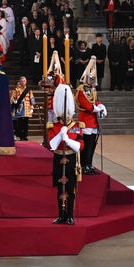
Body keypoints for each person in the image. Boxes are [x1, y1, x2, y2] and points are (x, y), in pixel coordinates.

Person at [48, 83, 83, 225]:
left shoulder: (76, 127)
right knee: (60, 188)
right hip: (58, 158)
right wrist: (59, 136)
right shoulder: (55, 126)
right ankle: (61, 215)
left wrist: (67, 139)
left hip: (71, 158)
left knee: (70, 189)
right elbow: (51, 144)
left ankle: (70, 215)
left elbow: (80, 146)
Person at [75, 56, 107, 175]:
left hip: (93, 122)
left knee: (92, 146)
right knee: (86, 146)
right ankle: (84, 165)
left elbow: (95, 100)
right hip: (85, 121)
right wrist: (95, 108)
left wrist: (101, 106)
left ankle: (89, 164)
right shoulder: (81, 89)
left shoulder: (92, 89)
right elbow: (86, 104)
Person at [10, 76, 35, 141]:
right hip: (20, 108)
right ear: (20, 82)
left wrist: (32, 108)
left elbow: (32, 99)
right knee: (20, 122)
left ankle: (25, 136)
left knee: (26, 123)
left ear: (26, 82)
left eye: (24, 81)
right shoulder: (16, 90)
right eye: (22, 81)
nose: (23, 82)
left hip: (27, 107)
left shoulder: (29, 90)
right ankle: (21, 136)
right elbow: (12, 98)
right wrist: (14, 101)